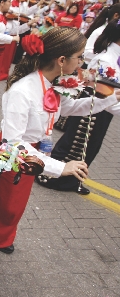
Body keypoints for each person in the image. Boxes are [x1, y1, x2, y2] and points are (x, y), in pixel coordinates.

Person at [0, 27, 120, 254]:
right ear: (61, 60)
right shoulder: (23, 90)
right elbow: (13, 143)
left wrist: (107, 101)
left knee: (14, 203)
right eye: (79, 57)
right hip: (12, 153)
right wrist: (62, 167)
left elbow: (69, 108)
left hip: (32, 153)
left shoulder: (53, 84)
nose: (82, 63)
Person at [37, 20, 120, 194]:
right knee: (75, 144)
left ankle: (72, 182)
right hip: (94, 106)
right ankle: (51, 176)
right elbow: (103, 92)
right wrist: (111, 100)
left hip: (102, 106)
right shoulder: (105, 60)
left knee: (89, 147)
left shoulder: (114, 56)